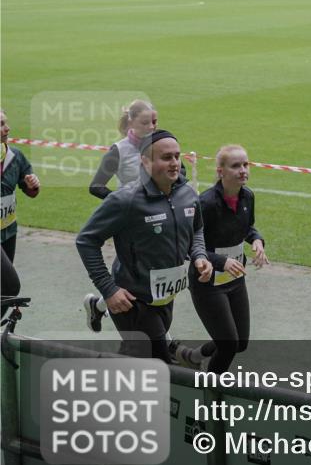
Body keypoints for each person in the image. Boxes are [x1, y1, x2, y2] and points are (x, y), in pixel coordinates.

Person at [76, 130, 212, 362]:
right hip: (131, 300)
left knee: (139, 359)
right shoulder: (125, 200)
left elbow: (197, 229)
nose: (174, 163)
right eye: (166, 157)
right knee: (160, 361)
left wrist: (199, 254)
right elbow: (86, 240)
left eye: (177, 156)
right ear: (145, 161)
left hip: (165, 299)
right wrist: (109, 289)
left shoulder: (188, 194)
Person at [173, 145, 268, 373]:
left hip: (234, 280)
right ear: (220, 171)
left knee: (240, 343)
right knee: (228, 345)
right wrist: (220, 261)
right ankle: (211, 396)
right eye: (236, 166)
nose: (243, 170)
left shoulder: (247, 196)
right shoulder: (206, 203)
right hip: (208, 282)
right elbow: (188, 246)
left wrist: (257, 240)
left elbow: (247, 228)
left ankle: (194, 357)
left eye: (246, 165)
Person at [89, 99, 158, 200]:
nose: (152, 127)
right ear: (131, 123)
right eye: (145, 123)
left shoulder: (162, 143)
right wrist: (122, 202)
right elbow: (96, 187)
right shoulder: (118, 151)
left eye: (154, 121)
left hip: (159, 209)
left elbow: (179, 172)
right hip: (132, 212)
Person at [1, 109, 41, 263]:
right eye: (1, 124)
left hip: (9, 231)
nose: (7, 128)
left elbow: (31, 191)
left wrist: (33, 185)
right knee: (11, 285)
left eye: (6, 122)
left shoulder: (15, 156)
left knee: (5, 283)